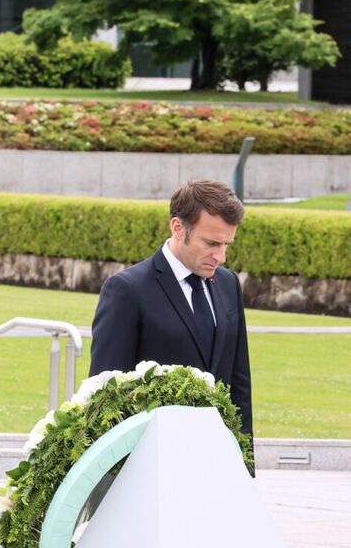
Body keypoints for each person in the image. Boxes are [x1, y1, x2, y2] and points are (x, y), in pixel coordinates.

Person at [90, 179, 253, 443]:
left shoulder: (228, 283)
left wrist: (243, 464)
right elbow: (106, 395)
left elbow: (239, 381)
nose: (220, 256)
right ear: (178, 227)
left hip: (218, 458)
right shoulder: (126, 290)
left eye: (227, 245)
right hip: (151, 461)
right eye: (211, 243)